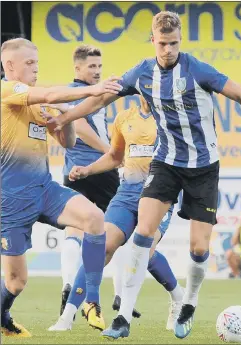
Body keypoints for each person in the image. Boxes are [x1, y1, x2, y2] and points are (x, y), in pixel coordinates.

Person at [43, 11, 241, 340]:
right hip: (166, 163)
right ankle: (123, 316)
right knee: (141, 233)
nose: (168, 49)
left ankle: (189, 302)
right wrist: (65, 117)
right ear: (153, 40)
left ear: (179, 41)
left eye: (174, 43)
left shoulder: (196, 69)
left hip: (203, 168)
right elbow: (98, 100)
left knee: (198, 248)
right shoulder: (141, 73)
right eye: (163, 43)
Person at [0, 38, 122, 338]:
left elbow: (67, 141)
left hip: (44, 189)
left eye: (37, 62)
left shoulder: (38, 102)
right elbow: (51, 92)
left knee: (94, 219)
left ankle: (91, 300)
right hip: (11, 200)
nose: (35, 67)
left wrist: (65, 117)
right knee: (16, 282)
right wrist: (91, 91)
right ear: (10, 66)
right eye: (29, 63)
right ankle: (2, 314)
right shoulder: (7, 91)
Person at [48, 95, 184, 332]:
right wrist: (88, 170)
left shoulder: (171, 120)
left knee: (142, 252)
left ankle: (178, 296)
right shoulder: (124, 119)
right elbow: (115, 157)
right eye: (145, 84)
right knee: (102, 247)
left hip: (159, 195)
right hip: (127, 194)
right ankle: (67, 317)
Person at [53, 45, 120, 316]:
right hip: (96, 169)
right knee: (118, 229)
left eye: (99, 67)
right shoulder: (74, 92)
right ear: (77, 68)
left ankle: (69, 284)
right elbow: (78, 125)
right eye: (91, 66)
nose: (97, 71)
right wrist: (110, 152)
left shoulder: (87, 93)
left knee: (76, 231)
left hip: (74, 169)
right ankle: (118, 294)